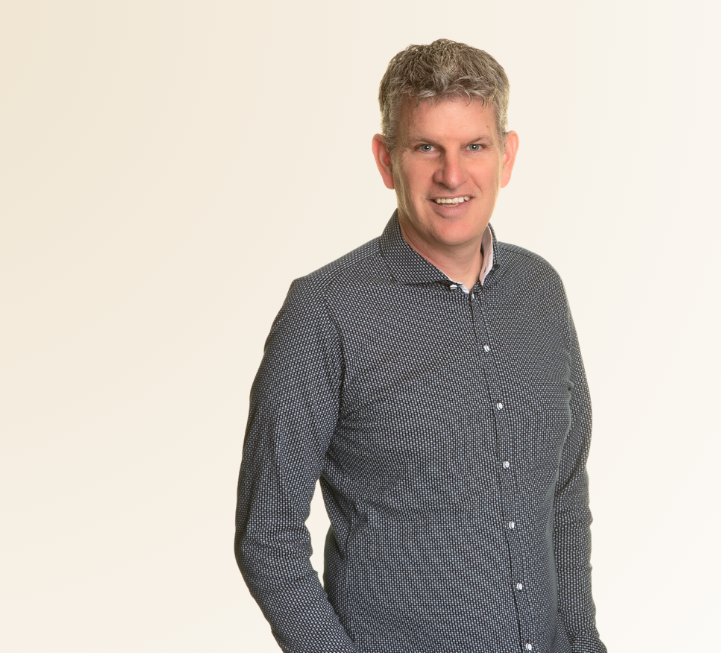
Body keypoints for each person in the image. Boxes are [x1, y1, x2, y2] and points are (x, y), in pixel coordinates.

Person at [235, 39, 607, 653]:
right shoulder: (326, 311)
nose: (452, 175)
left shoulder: (540, 290)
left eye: (474, 147)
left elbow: (564, 494)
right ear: (386, 160)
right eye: (426, 146)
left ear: (507, 156)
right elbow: (267, 537)